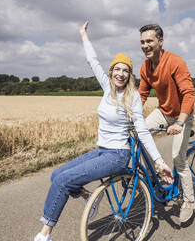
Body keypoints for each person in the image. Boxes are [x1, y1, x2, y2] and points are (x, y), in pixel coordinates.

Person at [34, 21, 174, 241]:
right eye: (117, 69)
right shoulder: (107, 87)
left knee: (63, 182)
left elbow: (143, 132)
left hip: (117, 155)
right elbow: (92, 61)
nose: (120, 74)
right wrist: (83, 35)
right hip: (101, 150)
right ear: (111, 72)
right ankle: (88, 196)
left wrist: (159, 162)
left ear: (129, 75)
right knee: (56, 175)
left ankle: (44, 235)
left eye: (125, 70)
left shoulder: (133, 97)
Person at [138, 24, 195, 223]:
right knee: (140, 133)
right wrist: (129, 114)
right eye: (142, 42)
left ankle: (189, 201)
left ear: (160, 42)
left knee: (178, 159)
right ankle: (159, 175)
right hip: (163, 112)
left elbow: (189, 94)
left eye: (149, 41)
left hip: (182, 116)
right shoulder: (145, 66)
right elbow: (142, 94)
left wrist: (180, 122)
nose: (145, 45)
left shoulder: (175, 62)